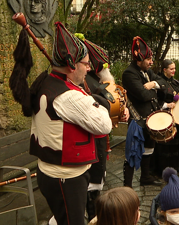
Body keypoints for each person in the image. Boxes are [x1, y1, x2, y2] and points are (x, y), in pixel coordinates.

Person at [19, 22, 113, 225]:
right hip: (66, 178)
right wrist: (100, 102)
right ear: (72, 65)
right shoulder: (70, 97)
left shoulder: (46, 80)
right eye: (86, 63)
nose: (89, 68)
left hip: (51, 172)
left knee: (63, 218)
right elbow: (105, 126)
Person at [74, 34, 127, 222]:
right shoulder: (84, 83)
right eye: (103, 65)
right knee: (89, 190)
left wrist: (123, 111)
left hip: (99, 144)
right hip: (87, 146)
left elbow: (111, 104)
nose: (107, 68)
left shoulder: (97, 82)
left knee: (96, 187)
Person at [122, 36, 167, 187]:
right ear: (138, 60)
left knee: (149, 149)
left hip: (149, 118)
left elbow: (163, 83)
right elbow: (142, 95)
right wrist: (155, 91)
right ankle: (127, 186)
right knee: (132, 153)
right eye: (148, 59)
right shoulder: (129, 74)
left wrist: (153, 83)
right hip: (137, 120)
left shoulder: (147, 72)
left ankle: (145, 177)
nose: (151, 62)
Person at [153, 59, 179, 175]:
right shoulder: (159, 83)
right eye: (171, 69)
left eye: (174, 68)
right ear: (164, 70)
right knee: (169, 142)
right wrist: (167, 105)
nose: (174, 71)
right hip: (164, 117)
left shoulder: (176, 82)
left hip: (177, 116)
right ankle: (166, 167)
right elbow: (155, 102)